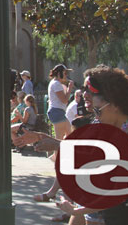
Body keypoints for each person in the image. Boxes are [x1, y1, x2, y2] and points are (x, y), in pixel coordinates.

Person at [52, 66, 128, 225]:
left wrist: (76, 210)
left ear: (115, 105)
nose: (96, 117)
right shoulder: (121, 136)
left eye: (98, 111)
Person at [33, 64, 74, 204]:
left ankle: (57, 161)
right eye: (65, 73)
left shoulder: (55, 83)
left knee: (66, 140)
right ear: (60, 73)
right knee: (64, 141)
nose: (66, 76)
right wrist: (70, 89)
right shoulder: (56, 84)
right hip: (58, 113)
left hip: (58, 113)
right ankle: (57, 161)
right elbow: (64, 100)